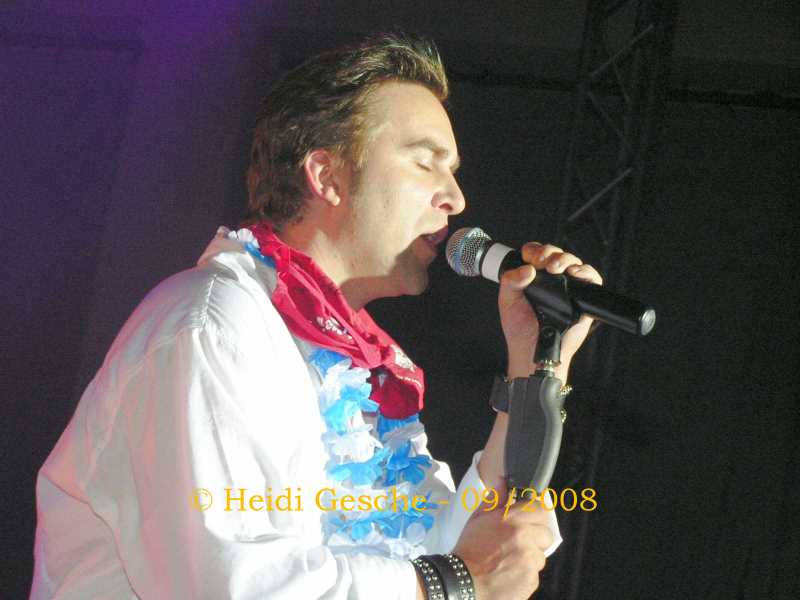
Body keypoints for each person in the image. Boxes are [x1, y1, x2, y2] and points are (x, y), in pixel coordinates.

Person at [31, 33, 602, 599]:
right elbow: (232, 583)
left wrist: (537, 365)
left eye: (451, 171)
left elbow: (453, 544)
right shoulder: (214, 324)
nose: (455, 198)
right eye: (425, 163)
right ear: (327, 177)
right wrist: (454, 582)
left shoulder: (354, 368)